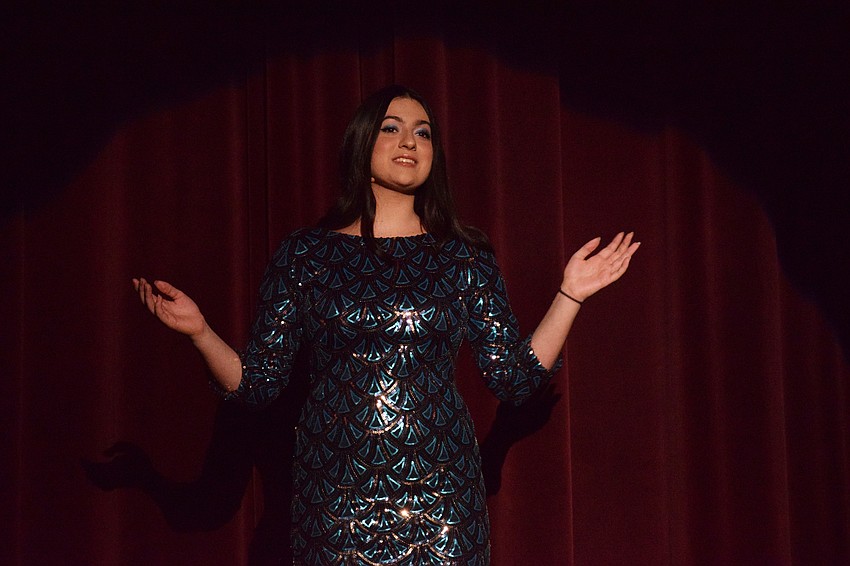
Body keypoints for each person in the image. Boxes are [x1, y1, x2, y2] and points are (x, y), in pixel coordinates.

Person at [133, 84, 639, 565]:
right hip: (335, 506)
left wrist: (570, 293)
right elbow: (259, 387)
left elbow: (514, 378)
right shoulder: (304, 255)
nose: (409, 142)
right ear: (361, 143)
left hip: (443, 507)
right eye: (391, 127)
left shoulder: (464, 256)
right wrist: (200, 331)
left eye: (423, 132)